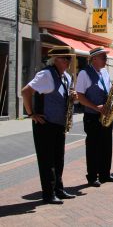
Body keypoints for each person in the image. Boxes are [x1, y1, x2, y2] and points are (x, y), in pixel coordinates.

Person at [21, 46, 77, 204]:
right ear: (56, 59)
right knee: (47, 162)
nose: (69, 61)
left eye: (69, 58)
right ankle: (48, 194)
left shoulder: (65, 76)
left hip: (59, 125)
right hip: (45, 125)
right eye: (66, 58)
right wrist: (31, 114)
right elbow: (25, 91)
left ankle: (58, 189)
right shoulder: (46, 74)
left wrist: (73, 96)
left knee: (59, 160)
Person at [76, 47, 113, 187]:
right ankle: (92, 176)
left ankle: (105, 174)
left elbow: (106, 89)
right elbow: (80, 97)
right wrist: (96, 107)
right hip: (92, 116)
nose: (106, 60)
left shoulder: (105, 72)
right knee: (93, 147)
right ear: (93, 59)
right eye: (103, 58)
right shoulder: (84, 73)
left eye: (106, 57)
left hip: (106, 115)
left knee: (107, 146)